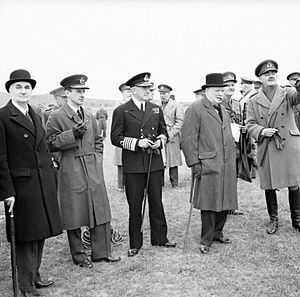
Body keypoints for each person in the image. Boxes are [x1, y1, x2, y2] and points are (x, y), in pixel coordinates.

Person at [46, 74, 120, 268]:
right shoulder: (57, 115)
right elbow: (49, 143)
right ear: (67, 93)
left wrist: (97, 158)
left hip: (91, 166)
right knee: (74, 212)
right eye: (78, 91)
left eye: (83, 91)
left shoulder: (88, 114)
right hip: (71, 167)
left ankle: (102, 252)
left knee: (99, 208)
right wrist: (71, 135)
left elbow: (97, 140)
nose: (81, 95)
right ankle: (79, 256)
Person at [0, 69, 62, 297]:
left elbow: (42, 145)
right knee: (26, 235)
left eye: (27, 87)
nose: (23, 91)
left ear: (31, 91)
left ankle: (35, 275)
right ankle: (25, 284)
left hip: (42, 183)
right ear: (10, 90)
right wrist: (7, 191)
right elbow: (1, 157)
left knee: (40, 231)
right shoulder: (3, 116)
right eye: (18, 87)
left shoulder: (34, 113)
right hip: (20, 187)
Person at [111, 72, 176, 257]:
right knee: (135, 205)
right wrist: (137, 143)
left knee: (157, 202)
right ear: (133, 90)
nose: (149, 91)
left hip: (153, 163)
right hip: (133, 166)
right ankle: (135, 243)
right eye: (144, 88)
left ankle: (160, 238)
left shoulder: (155, 109)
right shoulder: (121, 110)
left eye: (150, 87)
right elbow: (115, 138)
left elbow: (164, 131)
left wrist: (160, 141)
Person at [181, 73, 237, 254]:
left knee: (225, 200)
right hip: (208, 164)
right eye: (217, 90)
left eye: (223, 90)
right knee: (209, 202)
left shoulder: (224, 110)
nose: (221, 93)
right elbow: (188, 139)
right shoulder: (196, 109)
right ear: (206, 91)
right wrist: (194, 163)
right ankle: (206, 238)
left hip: (226, 164)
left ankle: (218, 233)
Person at [246, 59, 300, 234]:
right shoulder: (254, 100)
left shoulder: (287, 92)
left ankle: (297, 220)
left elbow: (297, 97)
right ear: (260, 79)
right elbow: (250, 124)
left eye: (273, 73)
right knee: (269, 185)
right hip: (268, 145)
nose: (271, 76)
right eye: (267, 74)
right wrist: (262, 131)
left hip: (287, 145)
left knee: (294, 184)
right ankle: (273, 220)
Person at [222, 71, 244, 215]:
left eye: (232, 85)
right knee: (223, 177)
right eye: (227, 85)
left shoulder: (237, 104)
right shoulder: (217, 104)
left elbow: (240, 121)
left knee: (233, 177)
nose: (230, 87)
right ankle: (222, 207)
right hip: (222, 146)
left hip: (235, 147)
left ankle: (231, 207)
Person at [158, 84, 184, 188]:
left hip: (172, 135)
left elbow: (180, 122)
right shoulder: (158, 106)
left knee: (173, 161)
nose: (162, 96)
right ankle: (160, 183)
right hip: (161, 135)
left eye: (164, 93)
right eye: (161, 94)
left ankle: (174, 183)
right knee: (161, 160)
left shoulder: (176, 105)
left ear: (169, 94)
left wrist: (171, 133)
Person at [113, 83, 132, 191]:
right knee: (120, 163)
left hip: (132, 138)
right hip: (121, 137)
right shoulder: (118, 105)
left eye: (129, 91)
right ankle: (121, 185)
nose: (128, 93)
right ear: (122, 93)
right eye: (125, 91)